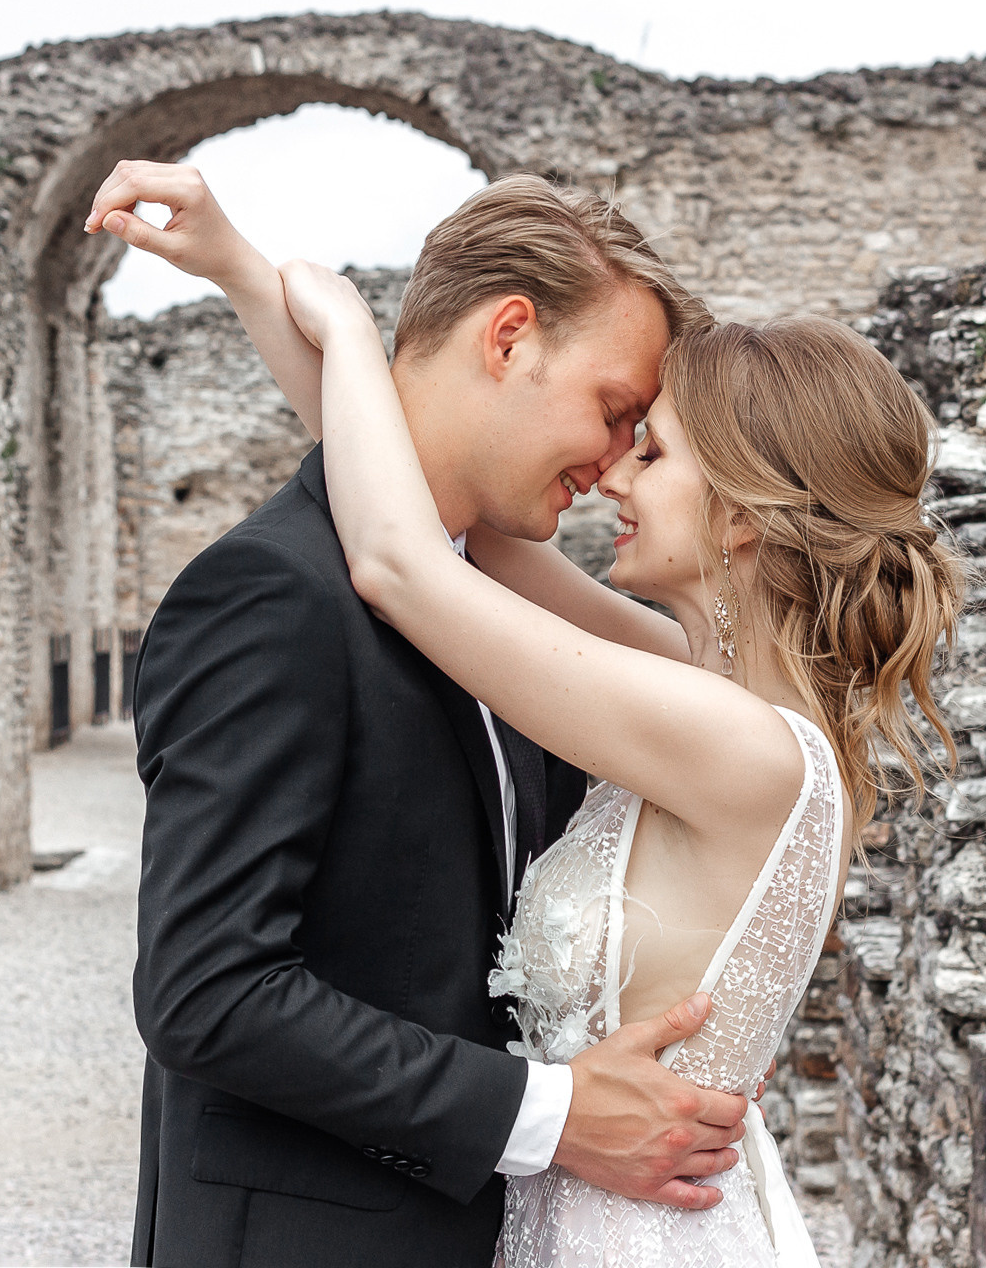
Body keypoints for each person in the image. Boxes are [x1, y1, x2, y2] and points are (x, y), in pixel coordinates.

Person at [90, 163, 746, 1268]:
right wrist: (549, 1114)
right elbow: (205, 991)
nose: (613, 463)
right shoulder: (270, 596)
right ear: (508, 337)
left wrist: (308, 309)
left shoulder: (493, 609)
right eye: (615, 409)